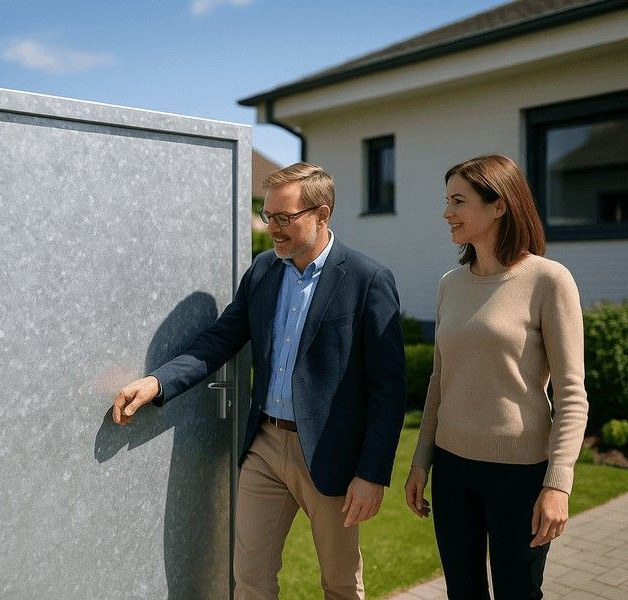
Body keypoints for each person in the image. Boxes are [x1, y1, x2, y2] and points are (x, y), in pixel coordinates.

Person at [113, 162, 406, 600]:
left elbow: (389, 389)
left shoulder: (367, 280)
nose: (273, 229)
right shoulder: (264, 271)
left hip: (331, 456)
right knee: (249, 581)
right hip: (265, 448)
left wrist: (372, 473)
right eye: (268, 216)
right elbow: (219, 340)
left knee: (341, 584)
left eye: (284, 218)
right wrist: (157, 383)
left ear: (322, 214)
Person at [404, 154, 589, 599]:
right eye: (446, 201)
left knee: (517, 594)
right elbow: (439, 382)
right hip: (451, 470)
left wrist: (557, 483)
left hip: (520, 476)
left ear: (498, 205)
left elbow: (571, 393)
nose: (447, 213)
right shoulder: (451, 283)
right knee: (462, 593)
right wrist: (420, 462)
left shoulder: (549, 280)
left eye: (458, 201)